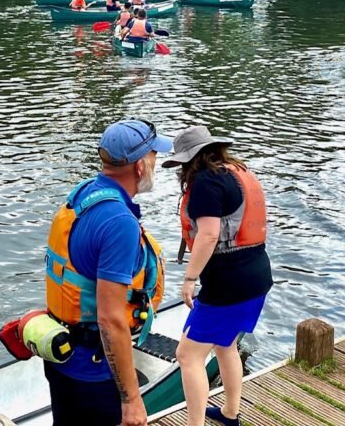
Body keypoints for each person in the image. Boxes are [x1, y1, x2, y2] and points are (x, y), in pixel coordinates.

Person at [43, 120, 171, 426]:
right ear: (140, 167)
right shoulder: (118, 222)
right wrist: (131, 399)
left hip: (62, 358)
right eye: (154, 155)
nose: (156, 161)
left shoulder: (85, 194)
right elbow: (110, 319)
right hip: (94, 373)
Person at [163, 127, 272, 426]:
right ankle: (230, 413)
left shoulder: (206, 182)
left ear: (189, 161)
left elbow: (209, 235)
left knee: (187, 356)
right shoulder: (235, 173)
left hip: (228, 286)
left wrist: (189, 278)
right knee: (225, 345)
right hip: (257, 277)